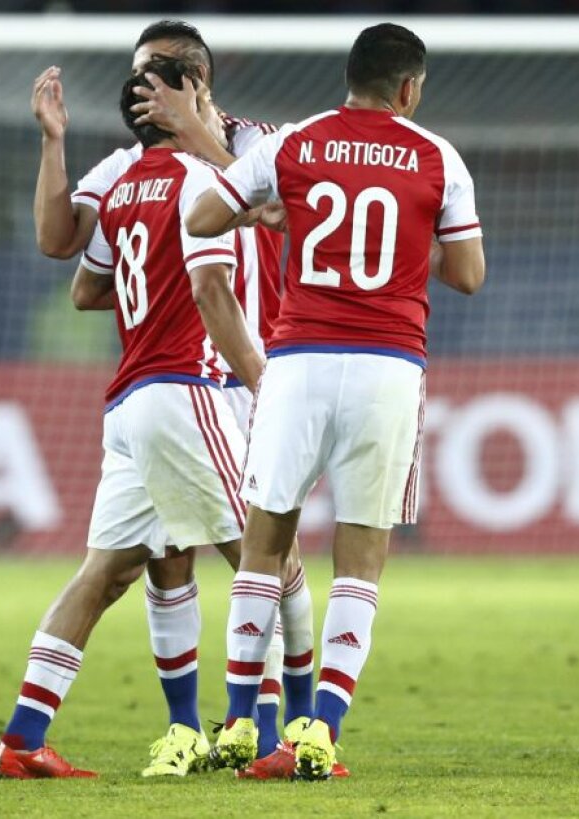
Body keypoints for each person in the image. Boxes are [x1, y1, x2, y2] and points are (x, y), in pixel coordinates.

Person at [187, 23, 486, 780]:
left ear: (348, 77)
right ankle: (320, 728)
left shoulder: (295, 142)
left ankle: (234, 720)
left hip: (298, 359)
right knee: (361, 555)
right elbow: (468, 274)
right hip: (388, 365)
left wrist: (275, 210)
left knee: (264, 539)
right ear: (410, 88)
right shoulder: (437, 157)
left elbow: (202, 218)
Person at [30, 20, 320, 779]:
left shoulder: (258, 142)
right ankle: (247, 727)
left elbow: (281, 210)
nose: (138, 93)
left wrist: (203, 143)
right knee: (200, 557)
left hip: (248, 370)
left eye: (152, 78)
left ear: (194, 80)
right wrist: (54, 143)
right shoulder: (128, 166)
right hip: (208, 379)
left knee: (195, 556)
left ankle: (250, 724)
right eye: (134, 79)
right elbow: (68, 255)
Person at [0, 58, 269, 781]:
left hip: (131, 398)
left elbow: (90, 283)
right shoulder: (212, 175)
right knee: (268, 559)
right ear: (189, 101)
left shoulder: (121, 189)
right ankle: (269, 731)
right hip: (192, 385)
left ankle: (23, 737)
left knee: (107, 571)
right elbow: (239, 254)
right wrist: (263, 380)